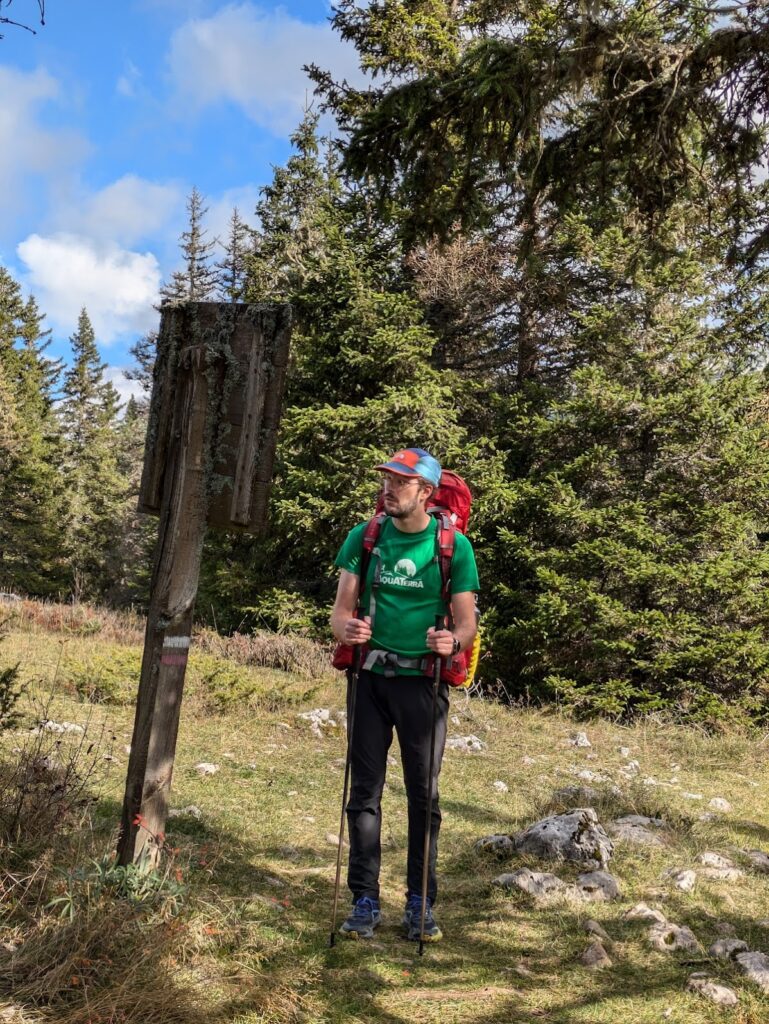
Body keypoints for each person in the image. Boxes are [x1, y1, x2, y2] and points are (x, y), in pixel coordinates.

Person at [330, 447, 480, 941]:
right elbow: (339, 613)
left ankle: (420, 903)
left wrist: (451, 641)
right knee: (364, 793)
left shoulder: (452, 547)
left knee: (423, 795)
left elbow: (466, 623)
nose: (389, 489)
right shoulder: (365, 537)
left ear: (426, 493)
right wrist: (346, 631)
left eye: (400, 482)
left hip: (425, 684)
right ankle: (364, 899)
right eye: (387, 480)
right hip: (370, 678)